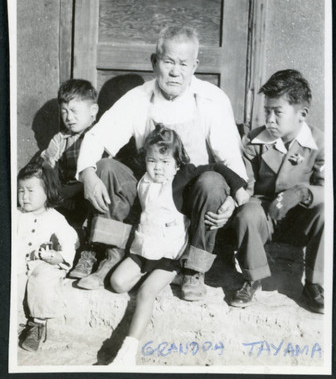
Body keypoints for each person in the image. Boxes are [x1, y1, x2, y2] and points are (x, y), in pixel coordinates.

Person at [76, 25, 247, 299]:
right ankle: (110, 254)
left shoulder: (210, 99)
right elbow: (98, 136)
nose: (175, 72)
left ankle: (194, 269)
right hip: (150, 196)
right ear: (155, 62)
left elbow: (230, 158)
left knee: (213, 182)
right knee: (105, 168)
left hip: (191, 199)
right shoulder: (140, 97)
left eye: (183, 64)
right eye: (168, 62)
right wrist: (87, 173)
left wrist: (234, 199)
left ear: (195, 66)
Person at [108, 124, 249, 365]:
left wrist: (237, 189)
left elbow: (216, 167)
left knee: (146, 293)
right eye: (152, 161)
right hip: (143, 250)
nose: (158, 168)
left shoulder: (182, 177)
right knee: (117, 283)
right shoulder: (144, 180)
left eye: (165, 162)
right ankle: (159, 276)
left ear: (176, 162)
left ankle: (128, 351)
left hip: (168, 256)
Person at [229, 70, 324, 313]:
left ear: (301, 114)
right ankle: (253, 277)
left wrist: (301, 193)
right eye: (267, 111)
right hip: (265, 219)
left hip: (298, 220)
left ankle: (314, 284)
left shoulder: (319, 143)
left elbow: (328, 189)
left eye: (277, 112)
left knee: (327, 210)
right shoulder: (254, 141)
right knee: (248, 211)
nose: (270, 119)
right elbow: (246, 186)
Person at [17, 161, 78, 352]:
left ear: (47, 192)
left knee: (43, 279)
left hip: (43, 263)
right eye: (20, 191)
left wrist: (60, 257)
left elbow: (70, 241)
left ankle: (37, 324)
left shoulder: (56, 219)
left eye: (30, 190)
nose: (24, 197)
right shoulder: (16, 214)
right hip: (19, 262)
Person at [41, 79, 99, 279]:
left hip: (87, 193)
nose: (69, 117)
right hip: (64, 194)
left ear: (93, 110)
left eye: (75, 111)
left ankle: (89, 253)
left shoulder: (100, 135)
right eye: (64, 111)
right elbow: (47, 163)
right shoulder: (60, 139)